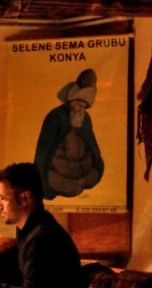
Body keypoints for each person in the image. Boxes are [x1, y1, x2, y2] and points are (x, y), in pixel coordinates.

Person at [34, 68, 104, 200]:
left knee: (91, 177)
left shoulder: (85, 118)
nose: (79, 108)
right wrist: (41, 185)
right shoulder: (55, 116)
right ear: (69, 101)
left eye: (83, 105)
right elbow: (43, 152)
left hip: (83, 171)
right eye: (76, 103)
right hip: (58, 173)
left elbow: (92, 145)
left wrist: (97, 165)